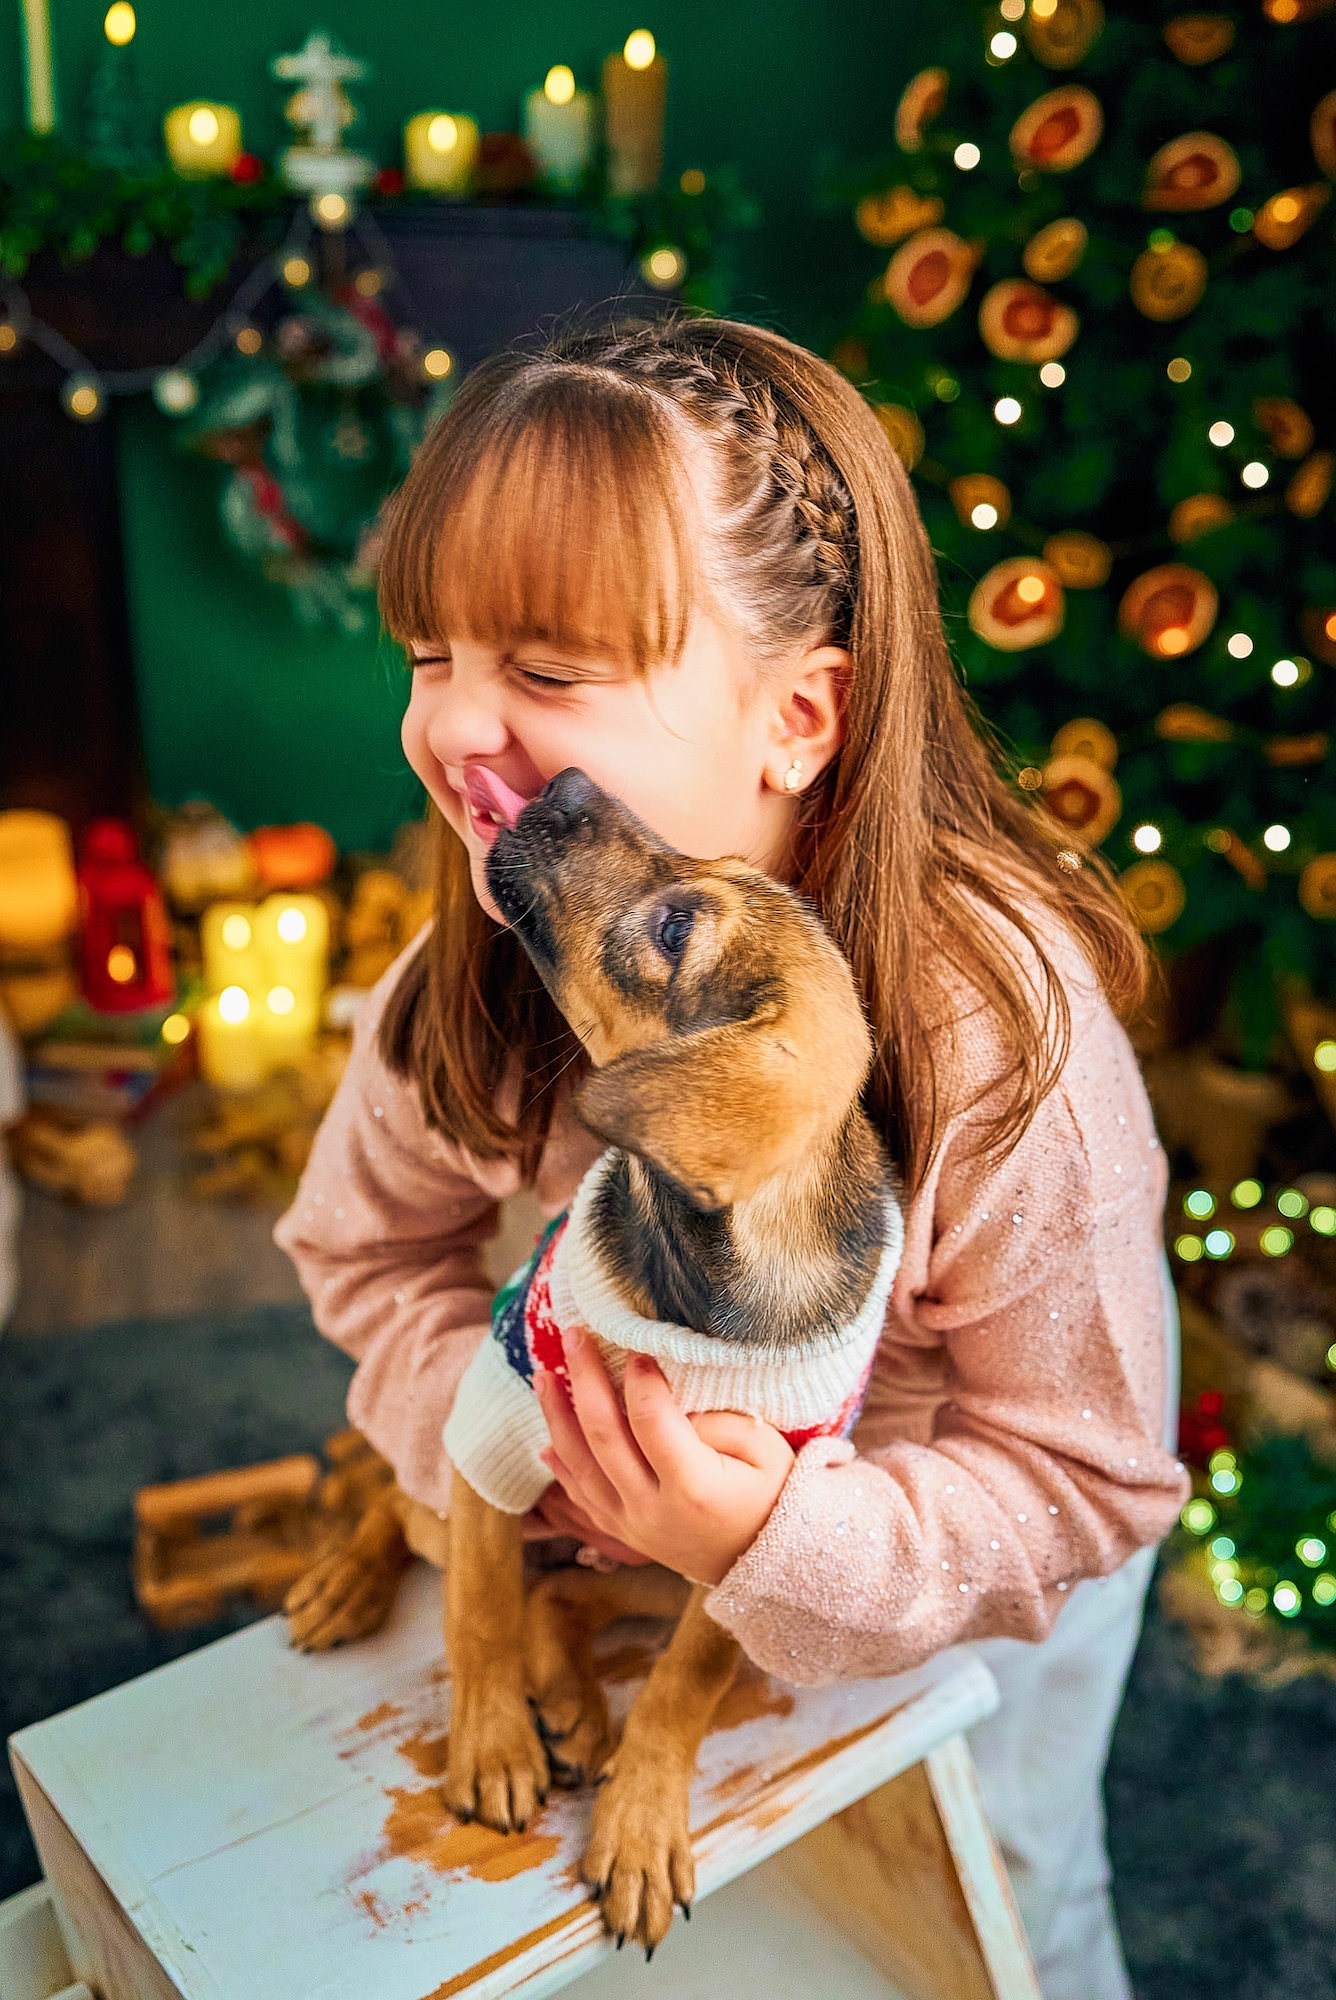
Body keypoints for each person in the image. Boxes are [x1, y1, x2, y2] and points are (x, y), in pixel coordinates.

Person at [274, 308, 1188, 1999]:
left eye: (547, 672)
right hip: (640, 1538)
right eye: (429, 655)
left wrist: (782, 1539)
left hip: (957, 1542)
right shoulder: (474, 959)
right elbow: (365, 1252)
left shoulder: (1001, 1033)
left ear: (798, 719)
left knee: (993, 1904)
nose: (459, 730)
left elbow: (1087, 1475)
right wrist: (503, 1456)